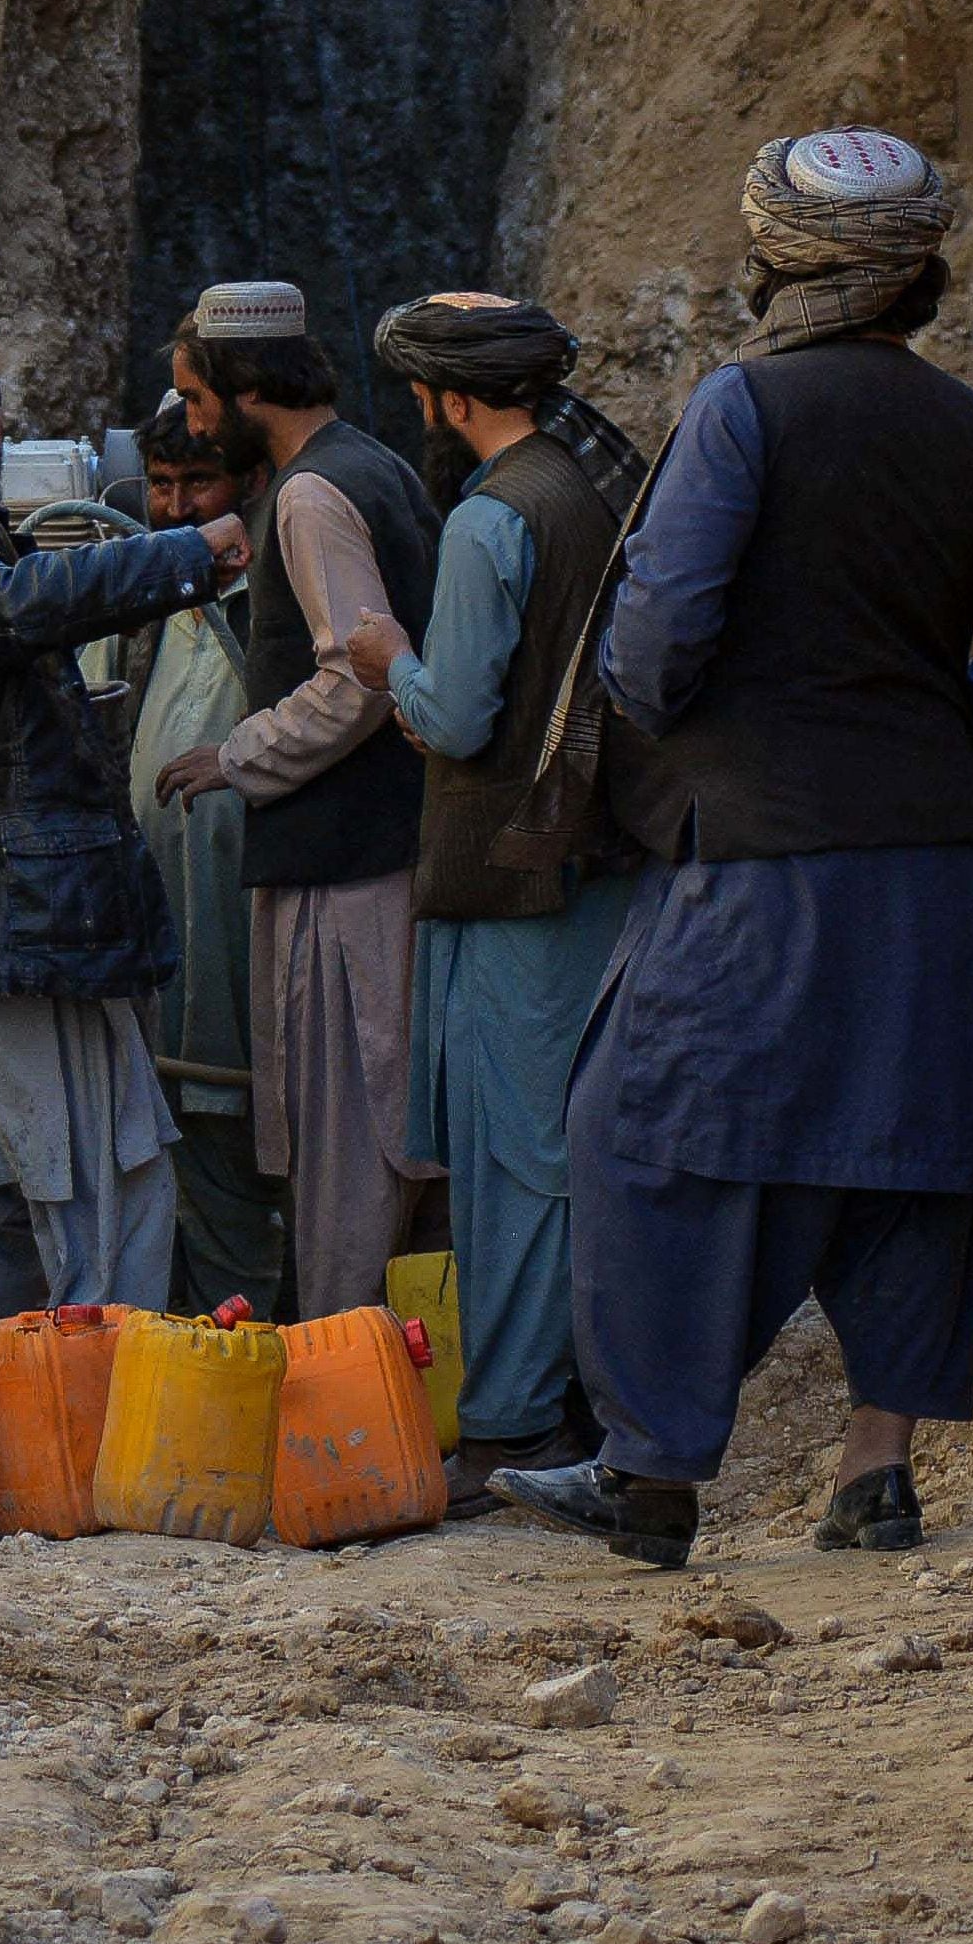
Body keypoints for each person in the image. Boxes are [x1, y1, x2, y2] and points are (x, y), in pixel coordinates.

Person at [495, 130, 973, 1573]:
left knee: (636, 1133)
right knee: (905, 1155)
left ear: (777, 265)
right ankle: (874, 1477)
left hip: (762, 860)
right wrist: (934, 731)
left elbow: (659, 635)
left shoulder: (739, 408)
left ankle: (647, 1477)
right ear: (917, 277)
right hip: (944, 866)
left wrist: (686, 721)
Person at [0, 326, 244, 1316]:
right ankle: (97, 1428)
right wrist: (190, 552)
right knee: (99, 1187)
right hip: (11, 924)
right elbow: (0, 606)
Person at [339, 294, 646, 1505]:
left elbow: (455, 717)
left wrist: (384, 663)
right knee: (563, 1142)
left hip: (513, 877)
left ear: (449, 401)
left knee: (511, 1154)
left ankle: (513, 1424)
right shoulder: (583, 485)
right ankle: (568, 1397)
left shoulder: (488, 520)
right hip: (586, 870)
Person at [153, 281, 443, 1322]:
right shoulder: (366, 466)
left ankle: (339, 1402)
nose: (189, 425)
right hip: (375, 854)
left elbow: (356, 676)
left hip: (348, 872)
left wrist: (235, 754)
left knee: (350, 1151)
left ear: (241, 389)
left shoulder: (314, 498)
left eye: (194, 402)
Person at [109, 399, 287, 1315]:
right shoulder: (137, 598)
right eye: (163, 484)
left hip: (236, 942)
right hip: (158, 949)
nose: (175, 506)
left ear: (247, 484)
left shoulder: (269, 604)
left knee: (242, 1149)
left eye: (197, 483)